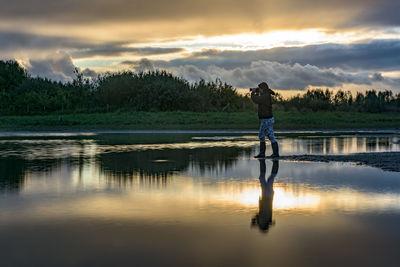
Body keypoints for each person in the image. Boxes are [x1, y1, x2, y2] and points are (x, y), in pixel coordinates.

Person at [250, 82, 279, 158]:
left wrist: (253, 93)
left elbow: (256, 100)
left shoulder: (265, 96)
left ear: (263, 88)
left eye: (259, 89)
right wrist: (257, 92)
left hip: (266, 119)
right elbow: (259, 99)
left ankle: (263, 154)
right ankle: (275, 154)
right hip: (267, 119)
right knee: (270, 136)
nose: (259, 90)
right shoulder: (266, 94)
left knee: (261, 135)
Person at [251, 159, 279, 233]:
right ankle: (275, 162)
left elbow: (255, 218)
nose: (261, 222)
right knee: (270, 178)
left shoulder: (264, 218)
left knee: (264, 178)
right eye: (262, 223)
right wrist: (256, 223)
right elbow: (258, 218)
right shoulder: (266, 216)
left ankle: (264, 162)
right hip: (268, 196)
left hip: (266, 195)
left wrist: (256, 223)